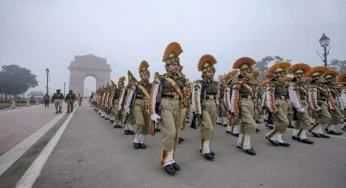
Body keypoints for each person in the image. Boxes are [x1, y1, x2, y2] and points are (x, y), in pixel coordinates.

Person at [150, 42, 185, 175]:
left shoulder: (181, 80)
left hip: (178, 106)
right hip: (166, 105)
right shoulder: (161, 79)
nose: (176, 67)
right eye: (173, 65)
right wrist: (152, 112)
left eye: (177, 65)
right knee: (169, 133)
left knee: (176, 134)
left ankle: (171, 159)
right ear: (167, 66)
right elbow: (153, 95)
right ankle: (165, 161)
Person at [192, 54, 219, 161]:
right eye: (209, 72)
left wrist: (218, 106)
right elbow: (196, 96)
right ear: (203, 73)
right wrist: (197, 110)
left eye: (213, 72)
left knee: (211, 128)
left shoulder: (216, 83)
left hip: (213, 105)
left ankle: (204, 147)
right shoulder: (199, 83)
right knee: (208, 127)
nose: (211, 74)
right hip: (204, 105)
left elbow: (218, 96)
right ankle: (205, 150)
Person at [230, 57, 257, 155]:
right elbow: (234, 97)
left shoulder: (252, 83)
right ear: (244, 73)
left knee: (245, 125)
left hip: (250, 103)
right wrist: (234, 109)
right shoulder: (238, 83)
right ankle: (246, 145)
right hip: (243, 103)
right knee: (251, 124)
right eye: (250, 72)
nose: (252, 73)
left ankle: (240, 142)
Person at [124, 61, 152, 149]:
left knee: (146, 124)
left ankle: (142, 140)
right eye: (144, 74)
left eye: (148, 75)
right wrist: (127, 106)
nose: (146, 76)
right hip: (138, 104)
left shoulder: (151, 86)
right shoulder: (136, 85)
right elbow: (130, 96)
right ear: (140, 75)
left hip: (147, 105)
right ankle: (136, 140)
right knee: (140, 123)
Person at [264, 62, 291, 147]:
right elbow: (269, 97)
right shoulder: (272, 85)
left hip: (284, 103)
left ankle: (278, 138)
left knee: (281, 122)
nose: (284, 78)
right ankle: (270, 135)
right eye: (282, 76)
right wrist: (272, 108)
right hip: (277, 103)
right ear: (276, 77)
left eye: (285, 76)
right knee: (284, 122)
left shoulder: (284, 85)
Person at [288, 63, 314, 144]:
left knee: (299, 121)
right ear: (297, 77)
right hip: (299, 105)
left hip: (303, 104)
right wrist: (299, 107)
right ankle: (302, 136)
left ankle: (295, 134)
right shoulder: (293, 86)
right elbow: (294, 98)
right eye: (303, 76)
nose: (305, 78)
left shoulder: (302, 86)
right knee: (305, 120)